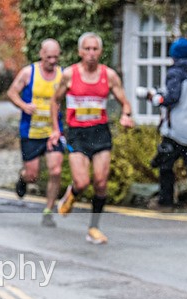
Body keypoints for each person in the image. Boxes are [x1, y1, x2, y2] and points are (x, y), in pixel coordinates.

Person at [47, 32, 135, 244]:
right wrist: (55, 129)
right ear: (80, 51)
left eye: (95, 49)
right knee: (82, 181)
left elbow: (125, 102)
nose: (91, 53)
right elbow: (54, 102)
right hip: (77, 133)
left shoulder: (109, 76)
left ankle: (93, 228)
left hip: (100, 132)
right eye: (87, 49)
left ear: (101, 52)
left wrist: (126, 115)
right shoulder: (69, 74)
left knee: (101, 182)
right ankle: (72, 193)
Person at [139, 37, 187, 214]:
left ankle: (166, 201)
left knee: (165, 166)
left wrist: (154, 98)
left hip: (176, 130)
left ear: (174, 55)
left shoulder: (175, 73)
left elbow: (172, 98)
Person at [6, 38, 64, 227]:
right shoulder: (28, 72)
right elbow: (11, 93)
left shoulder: (62, 75)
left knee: (55, 170)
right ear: (41, 54)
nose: (52, 61)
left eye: (56, 57)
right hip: (30, 132)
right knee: (33, 175)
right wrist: (24, 105)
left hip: (52, 131)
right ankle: (23, 179)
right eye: (49, 57)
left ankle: (48, 211)